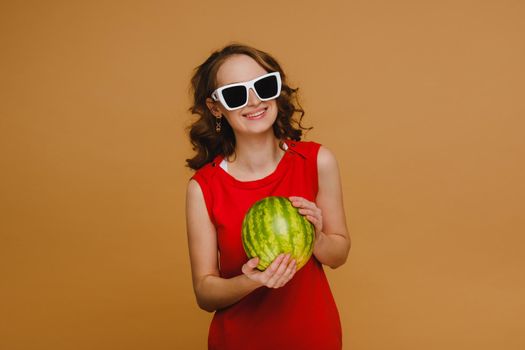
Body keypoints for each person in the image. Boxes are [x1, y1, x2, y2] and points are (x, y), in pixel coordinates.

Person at [185, 43, 351, 350]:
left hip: (314, 337)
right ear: (216, 108)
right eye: (236, 93)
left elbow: (339, 254)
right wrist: (254, 280)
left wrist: (317, 238)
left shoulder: (317, 161)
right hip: (239, 341)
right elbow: (204, 292)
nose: (254, 100)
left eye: (263, 85)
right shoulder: (203, 187)